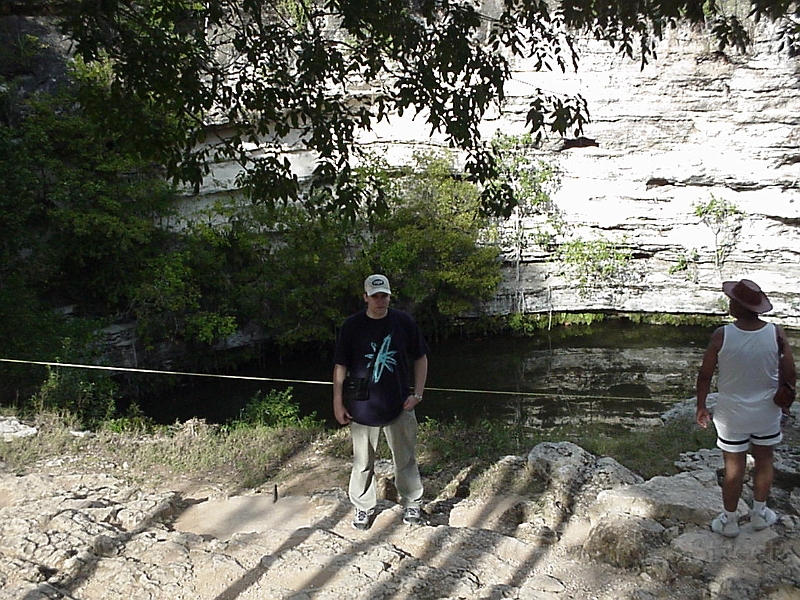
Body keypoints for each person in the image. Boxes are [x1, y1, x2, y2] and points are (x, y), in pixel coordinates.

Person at [696, 278, 796, 538]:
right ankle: (759, 514)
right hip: (766, 411)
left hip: (731, 414)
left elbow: (705, 375)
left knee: (733, 467)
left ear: (739, 306)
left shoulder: (721, 335)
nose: (729, 303)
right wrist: (786, 404)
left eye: (732, 300)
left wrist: (701, 406)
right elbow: (789, 372)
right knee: (764, 461)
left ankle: (729, 521)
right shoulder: (776, 333)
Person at [333, 274, 429, 530]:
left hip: (399, 404)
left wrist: (417, 394)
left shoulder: (403, 322)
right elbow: (340, 365)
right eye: (374, 296)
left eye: (383, 295)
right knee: (362, 462)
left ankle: (411, 502)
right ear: (365, 297)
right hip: (362, 407)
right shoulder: (351, 326)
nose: (379, 301)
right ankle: (363, 507)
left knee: (405, 459)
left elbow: (420, 357)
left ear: (389, 296)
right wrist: (337, 401)